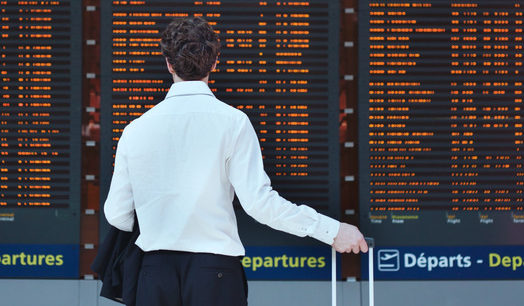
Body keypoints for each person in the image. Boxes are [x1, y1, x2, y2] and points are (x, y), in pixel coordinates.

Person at [104, 16, 368, 306]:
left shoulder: (135, 129)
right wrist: (332, 231)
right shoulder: (233, 123)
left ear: (168, 64)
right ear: (215, 62)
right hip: (215, 274)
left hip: (153, 274)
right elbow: (260, 205)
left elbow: (117, 214)